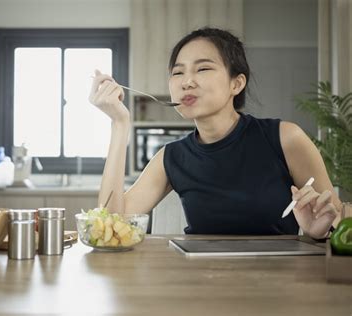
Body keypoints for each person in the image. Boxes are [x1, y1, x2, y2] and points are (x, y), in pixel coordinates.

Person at [89, 27, 341, 239]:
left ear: (236, 83)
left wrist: (319, 233)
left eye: (203, 69)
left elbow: (337, 222)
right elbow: (109, 227)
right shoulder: (172, 157)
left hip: (276, 287)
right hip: (201, 286)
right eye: (178, 72)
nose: (186, 81)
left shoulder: (285, 138)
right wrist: (119, 124)